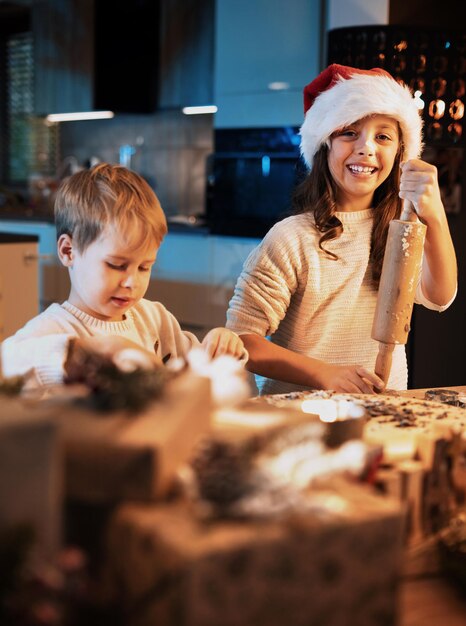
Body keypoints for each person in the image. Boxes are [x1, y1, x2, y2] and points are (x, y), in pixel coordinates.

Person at [226, 64, 457, 395]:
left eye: (383, 136)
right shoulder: (292, 238)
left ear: (400, 153)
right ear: (324, 146)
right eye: (349, 132)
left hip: (384, 410)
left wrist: (434, 215)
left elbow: (440, 296)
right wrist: (325, 374)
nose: (366, 148)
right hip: (301, 417)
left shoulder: (402, 231)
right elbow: (242, 340)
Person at [1, 163, 245, 389]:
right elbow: (7, 361)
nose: (132, 282)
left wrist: (219, 347)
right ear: (68, 251)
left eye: (144, 267)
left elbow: (198, 374)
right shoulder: (52, 330)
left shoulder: (155, 318)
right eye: (117, 265)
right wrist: (86, 352)